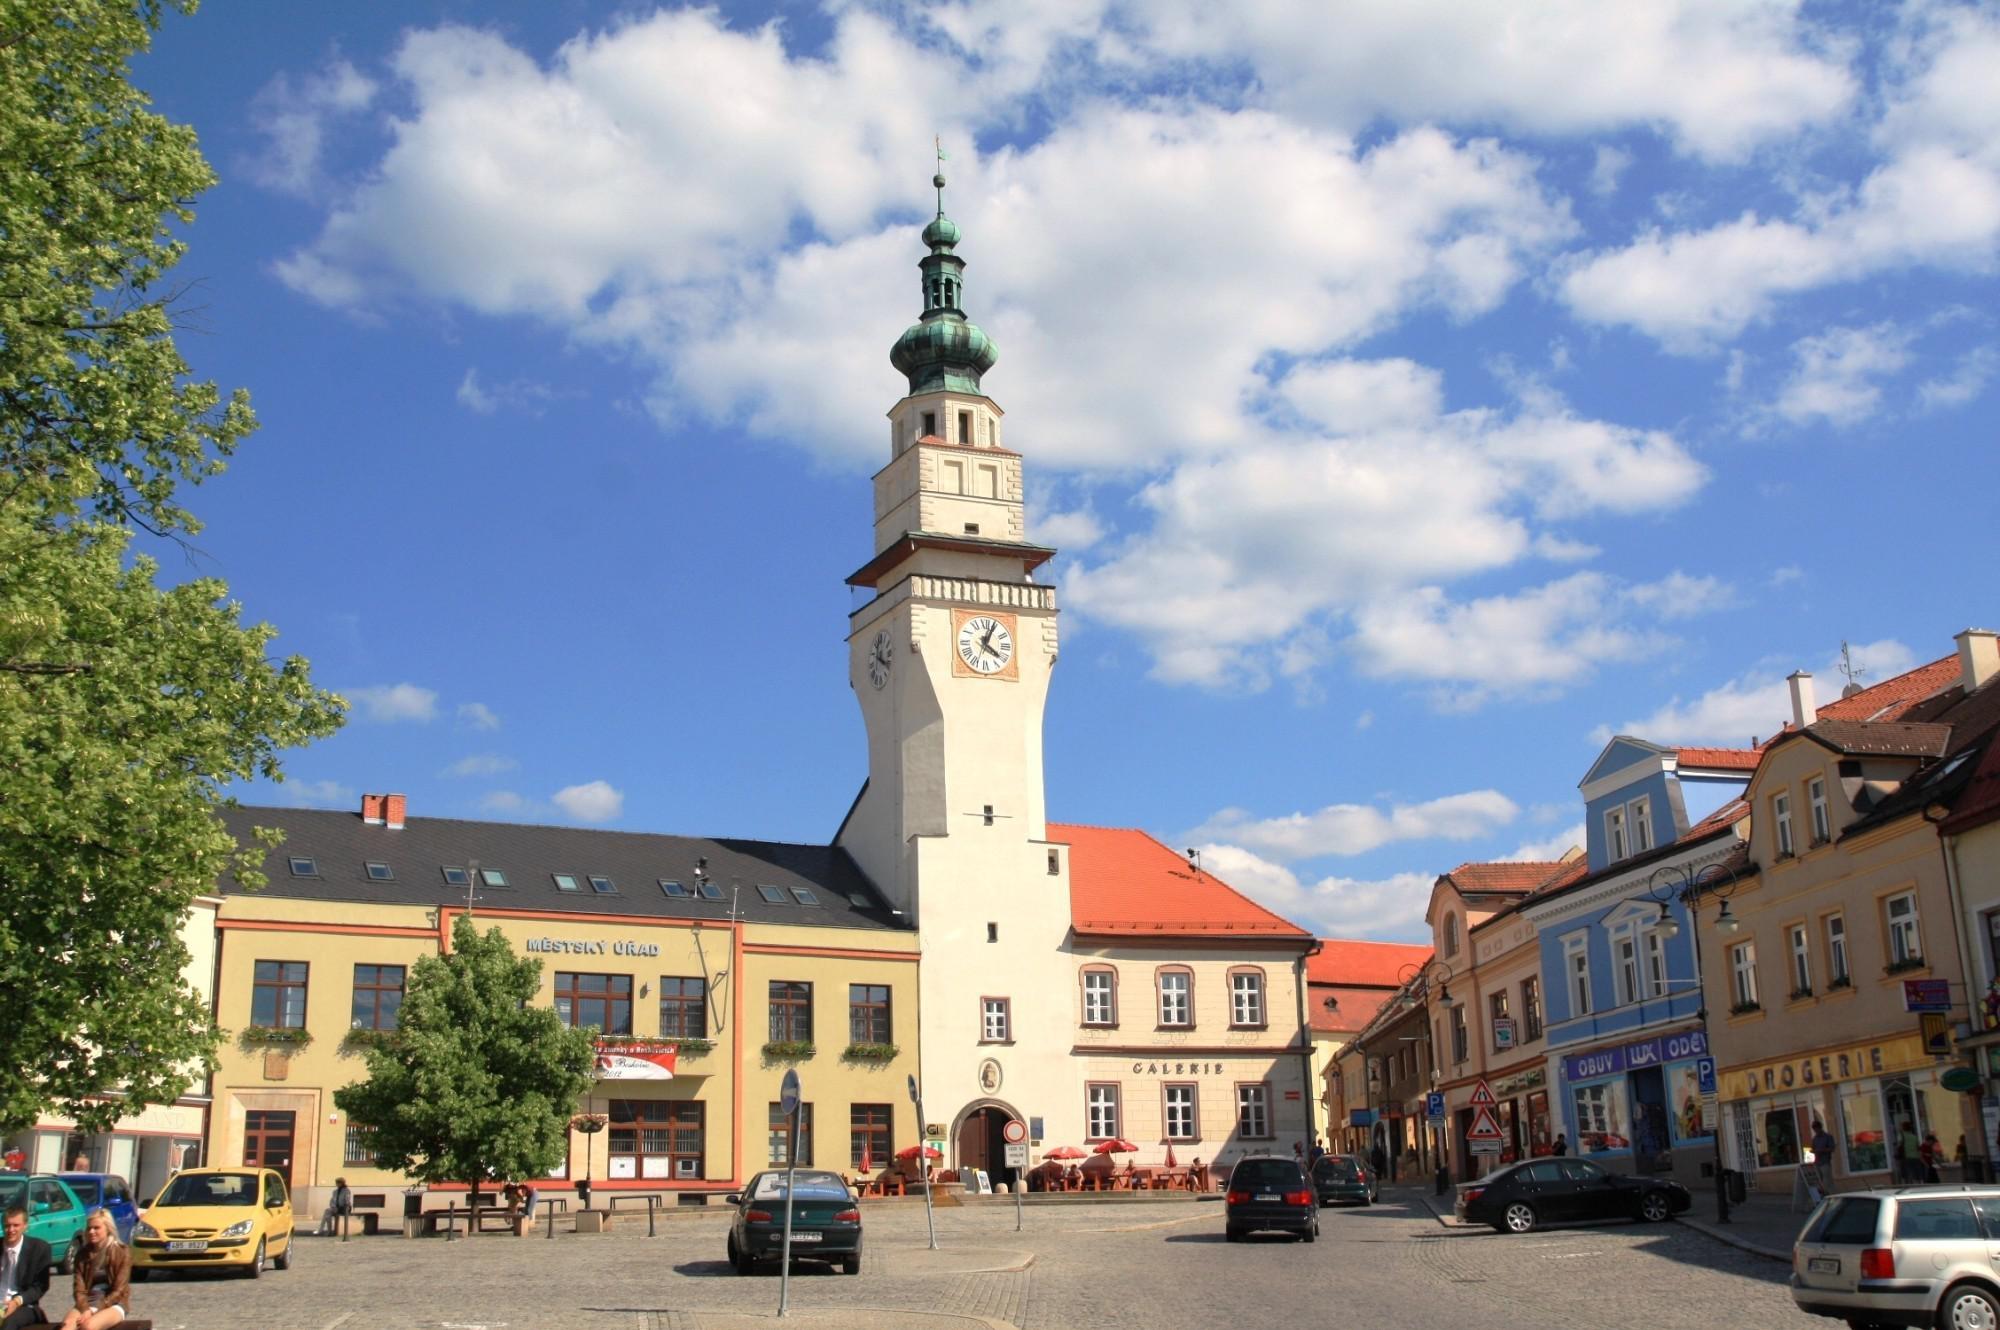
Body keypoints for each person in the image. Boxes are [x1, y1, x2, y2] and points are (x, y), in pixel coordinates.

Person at [59, 1209, 129, 1330]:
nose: (91, 1232)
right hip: (87, 1302)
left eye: (96, 1228)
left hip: (113, 1303)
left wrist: (94, 1309)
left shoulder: (121, 1252)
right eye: (89, 1228)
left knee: (88, 1326)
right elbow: (79, 1290)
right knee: (67, 1326)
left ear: (108, 1228)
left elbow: (119, 1290)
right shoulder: (82, 1254)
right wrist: (85, 1308)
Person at [2, 1203, 56, 1330]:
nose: (11, 1230)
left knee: (8, 1323)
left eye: (16, 1225)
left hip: (23, 1305)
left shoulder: (39, 1249)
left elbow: (40, 1287)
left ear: (25, 1226)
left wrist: (17, 1301)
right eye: (7, 1226)